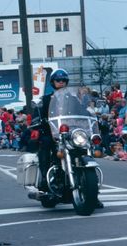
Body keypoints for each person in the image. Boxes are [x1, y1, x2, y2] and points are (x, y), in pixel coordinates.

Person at [34, 68, 103, 208]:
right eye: (58, 80)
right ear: (52, 82)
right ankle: (44, 183)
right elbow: (38, 114)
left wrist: (93, 117)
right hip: (52, 134)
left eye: (64, 80)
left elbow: (82, 112)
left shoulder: (73, 99)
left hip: (71, 134)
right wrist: (37, 122)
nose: (61, 83)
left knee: (85, 150)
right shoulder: (46, 99)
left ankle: (93, 195)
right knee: (45, 144)